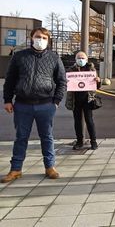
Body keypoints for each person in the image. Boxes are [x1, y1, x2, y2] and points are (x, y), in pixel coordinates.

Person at [1, 27, 67, 183]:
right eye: (38, 37)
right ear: (31, 38)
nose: (41, 40)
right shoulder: (19, 57)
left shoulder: (54, 57)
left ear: (48, 40)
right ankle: (16, 169)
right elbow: (9, 80)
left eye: (44, 38)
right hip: (22, 105)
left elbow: (62, 81)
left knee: (47, 137)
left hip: (46, 105)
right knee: (20, 137)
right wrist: (7, 100)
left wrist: (56, 101)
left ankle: (50, 167)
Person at [65, 51, 102, 150]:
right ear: (75, 59)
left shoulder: (91, 69)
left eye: (83, 58)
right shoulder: (71, 70)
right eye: (79, 58)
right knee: (77, 121)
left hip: (87, 99)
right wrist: (67, 82)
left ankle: (93, 142)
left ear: (86, 59)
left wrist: (98, 81)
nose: (81, 60)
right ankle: (79, 141)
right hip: (75, 99)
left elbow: (97, 86)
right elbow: (66, 84)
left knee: (89, 120)